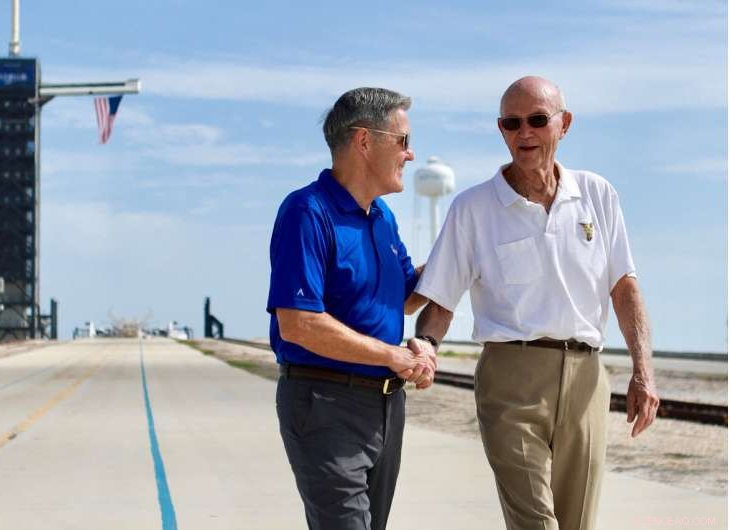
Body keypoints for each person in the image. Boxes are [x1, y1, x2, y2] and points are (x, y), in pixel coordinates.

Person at [410, 76, 659, 530]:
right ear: (501, 129)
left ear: (564, 124)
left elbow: (624, 288)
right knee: (535, 523)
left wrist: (643, 372)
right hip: (511, 382)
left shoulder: (598, 195)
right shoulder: (472, 208)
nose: (524, 132)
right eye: (512, 122)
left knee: (575, 522)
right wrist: (426, 344)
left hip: (587, 380)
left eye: (538, 120)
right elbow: (442, 298)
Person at [266, 87, 435, 530]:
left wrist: (462, 252)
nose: (411, 154)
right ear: (364, 141)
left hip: (384, 409)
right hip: (324, 404)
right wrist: (394, 356)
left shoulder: (383, 218)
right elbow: (299, 323)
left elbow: (404, 295)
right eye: (402, 141)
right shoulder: (307, 211)